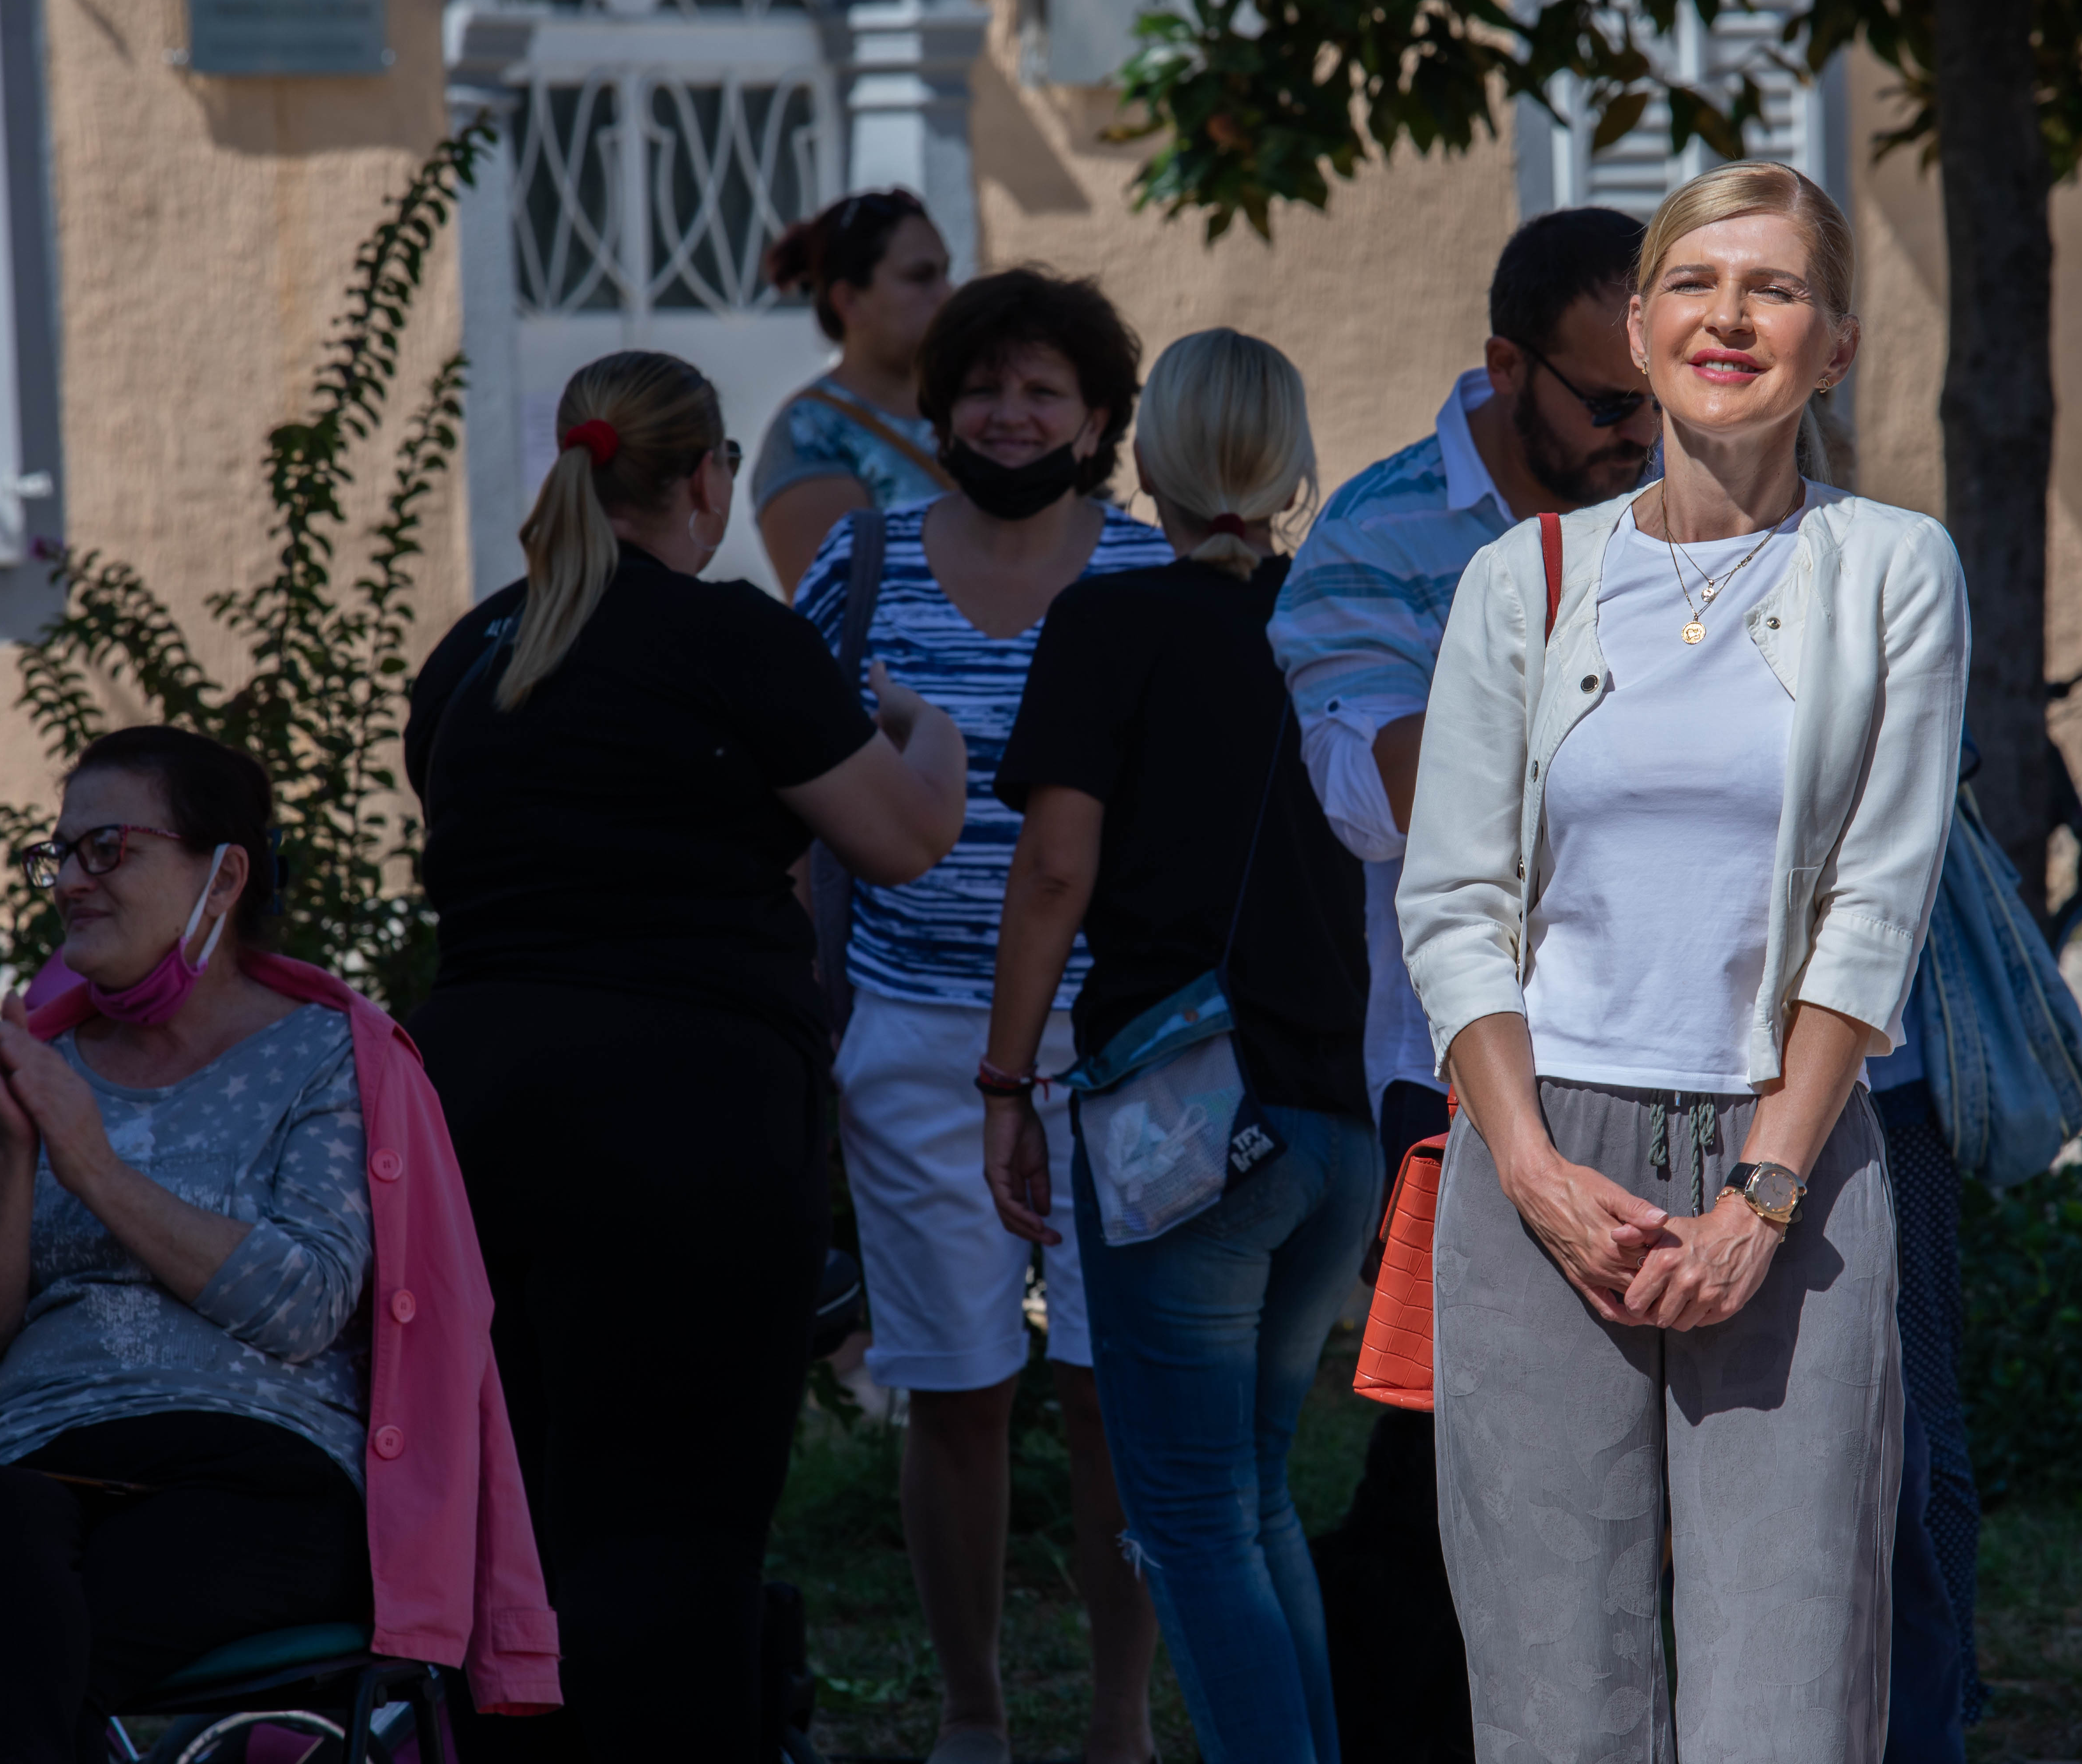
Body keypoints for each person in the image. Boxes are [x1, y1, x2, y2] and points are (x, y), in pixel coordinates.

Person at [1399, 160, 1969, 1763]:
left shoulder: (1889, 569)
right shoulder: (1524, 578)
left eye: (1774, 287)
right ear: (1637, 333)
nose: (1730, 316)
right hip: (1538, 1159)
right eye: (1695, 286)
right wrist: (1523, 1170)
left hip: (1781, 1152)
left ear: (1833, 347)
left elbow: (1875, 898)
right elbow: (1452, 905)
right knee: (1549, 1695)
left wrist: (1761, 1197)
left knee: (1781, 1698)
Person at [403, 350, 966, 1760]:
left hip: (471, 1117)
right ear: (707, 474)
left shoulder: (477, 651)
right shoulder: (728, 639)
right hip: (686, 1119)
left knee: (517, 1487)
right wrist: (930, 731)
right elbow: (902, 835)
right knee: (683, 1501)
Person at [0, 727, 558, 1761]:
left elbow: (304, 1303)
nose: (68, 881)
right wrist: (16, 1152)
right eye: (57, 854)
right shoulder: (36, 1069)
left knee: (12, 1640)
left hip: (257, 1475)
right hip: (43, 1473)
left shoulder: (330, 1055)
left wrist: (92, 1163)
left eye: (107, 850)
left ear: (224, 873)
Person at [1268, 207, 1653, 1761]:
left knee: (1645, 1488)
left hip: (1700, 1064)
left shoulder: (1706, 510)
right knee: (1453, 1478)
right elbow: (1376, 796)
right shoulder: (1376, 536)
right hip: (1470, 1084)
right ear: (1506, 370)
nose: (1648, 435)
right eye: (1612, 404)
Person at [795, 269, 1172, 1764]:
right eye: (985, 388)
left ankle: (1123, 1721)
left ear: (1097, 421)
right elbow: (782, 773)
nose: (1012, 415)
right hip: (912, 1035)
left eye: (1046, 391)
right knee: (954, 1389)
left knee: (1106, 1393)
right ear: (940, 408)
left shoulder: (1147, 578)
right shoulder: (862, 565)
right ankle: (970, 1714)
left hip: (1119, 1050)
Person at [983, 329, 1373, 1764]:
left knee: (1194, 1520)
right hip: (1340, 1123)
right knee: (1259, 1499)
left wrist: (1005, 1079)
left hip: (1186, 1121)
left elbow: (1053, 874)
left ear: (1150, 456)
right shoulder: (1343, 622)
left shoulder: (1112, 624)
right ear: (1286, 460)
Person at [757, 189, 959, 592]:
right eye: (920, 277)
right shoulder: (810, 430)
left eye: (945, 272)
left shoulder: (977, 407)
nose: (947, 294)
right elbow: (839, 615)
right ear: (848, 300)